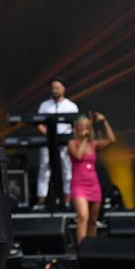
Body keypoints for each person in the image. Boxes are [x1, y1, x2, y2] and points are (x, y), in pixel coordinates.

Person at [68, 112, 116, 243]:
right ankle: (81, 247)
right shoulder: (72, 143)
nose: (84, 129)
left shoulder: (94, 144)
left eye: (87, 126)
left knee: (93, 220)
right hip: (79, 184)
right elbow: (78, 156)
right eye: (81, 126)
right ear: (76, 128)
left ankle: (90, 248)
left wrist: (104, 121)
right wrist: (83, 139)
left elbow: (112, 140)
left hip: (93, 184)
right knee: (83, 216)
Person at [35, 77, 79, 206]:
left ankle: (67, 200)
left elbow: (76, 125)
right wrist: (48, 134)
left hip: (65, 141)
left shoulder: (71, 106)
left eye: (57, 88)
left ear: (63, 88)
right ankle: (41, 201)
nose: (55, 90)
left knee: (67, 169)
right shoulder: (45, 105)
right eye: (53, 88)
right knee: (44, 169)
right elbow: (38, 123)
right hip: (48, 141)